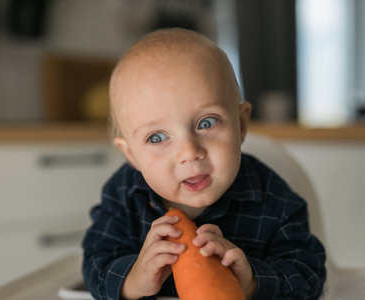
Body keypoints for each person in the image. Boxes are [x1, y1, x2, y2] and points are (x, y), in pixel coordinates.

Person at [82, 28, 326, 300]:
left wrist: (253, 281)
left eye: (206, 123)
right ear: (131, 155)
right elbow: (95, 263)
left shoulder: (273, 198)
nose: (189, 152)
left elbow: (308, 271)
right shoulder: (122, 196)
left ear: (241, 124)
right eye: (157, 137)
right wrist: (134, 280)